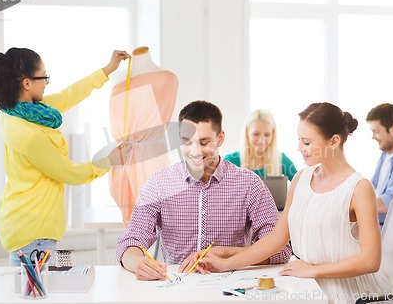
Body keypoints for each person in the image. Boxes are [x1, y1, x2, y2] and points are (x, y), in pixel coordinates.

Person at [201, 102, 383, 303]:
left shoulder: (359, 188)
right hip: (305, 284)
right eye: (299, 140)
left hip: (347, 294)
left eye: (306, 142)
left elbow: (371, 260)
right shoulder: (301, 178)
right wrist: (227, 264)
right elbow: (277, 238)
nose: (299, 148)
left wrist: (313, 270)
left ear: (333, 142)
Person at [0, 47, 130, 266]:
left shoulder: (22, 111)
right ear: (26, 83)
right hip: (33, 233)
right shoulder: (28, 134)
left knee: (34, 296)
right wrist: (109, 161)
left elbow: (68, 95)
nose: (46, 82)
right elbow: (68, 172)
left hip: (27, 226)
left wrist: (108, 69)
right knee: (37, 298)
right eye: (44, 76)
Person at [116, 100, 291, 281]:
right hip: (176, 287)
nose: (195, 151)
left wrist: (228, 255)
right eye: (186, 142)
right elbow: (130, 242)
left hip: (232, 288)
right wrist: (137, 262)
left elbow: (280, 251)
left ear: (220, 138)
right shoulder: (158, 184)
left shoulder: (249, 184)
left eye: (204, 142)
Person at [109, 46, 178, 226]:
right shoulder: (118, 77)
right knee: (132, 226)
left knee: (155, 219)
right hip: (123, 155)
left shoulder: (168, 78)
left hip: (151, 157)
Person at [224, 109, 297, 179]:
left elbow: (303, 186)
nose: (261, 141)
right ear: (247, 133)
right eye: (256, 134)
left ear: (273, 135)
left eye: (267, 135)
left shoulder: (281, 160)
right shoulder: (230, 161)